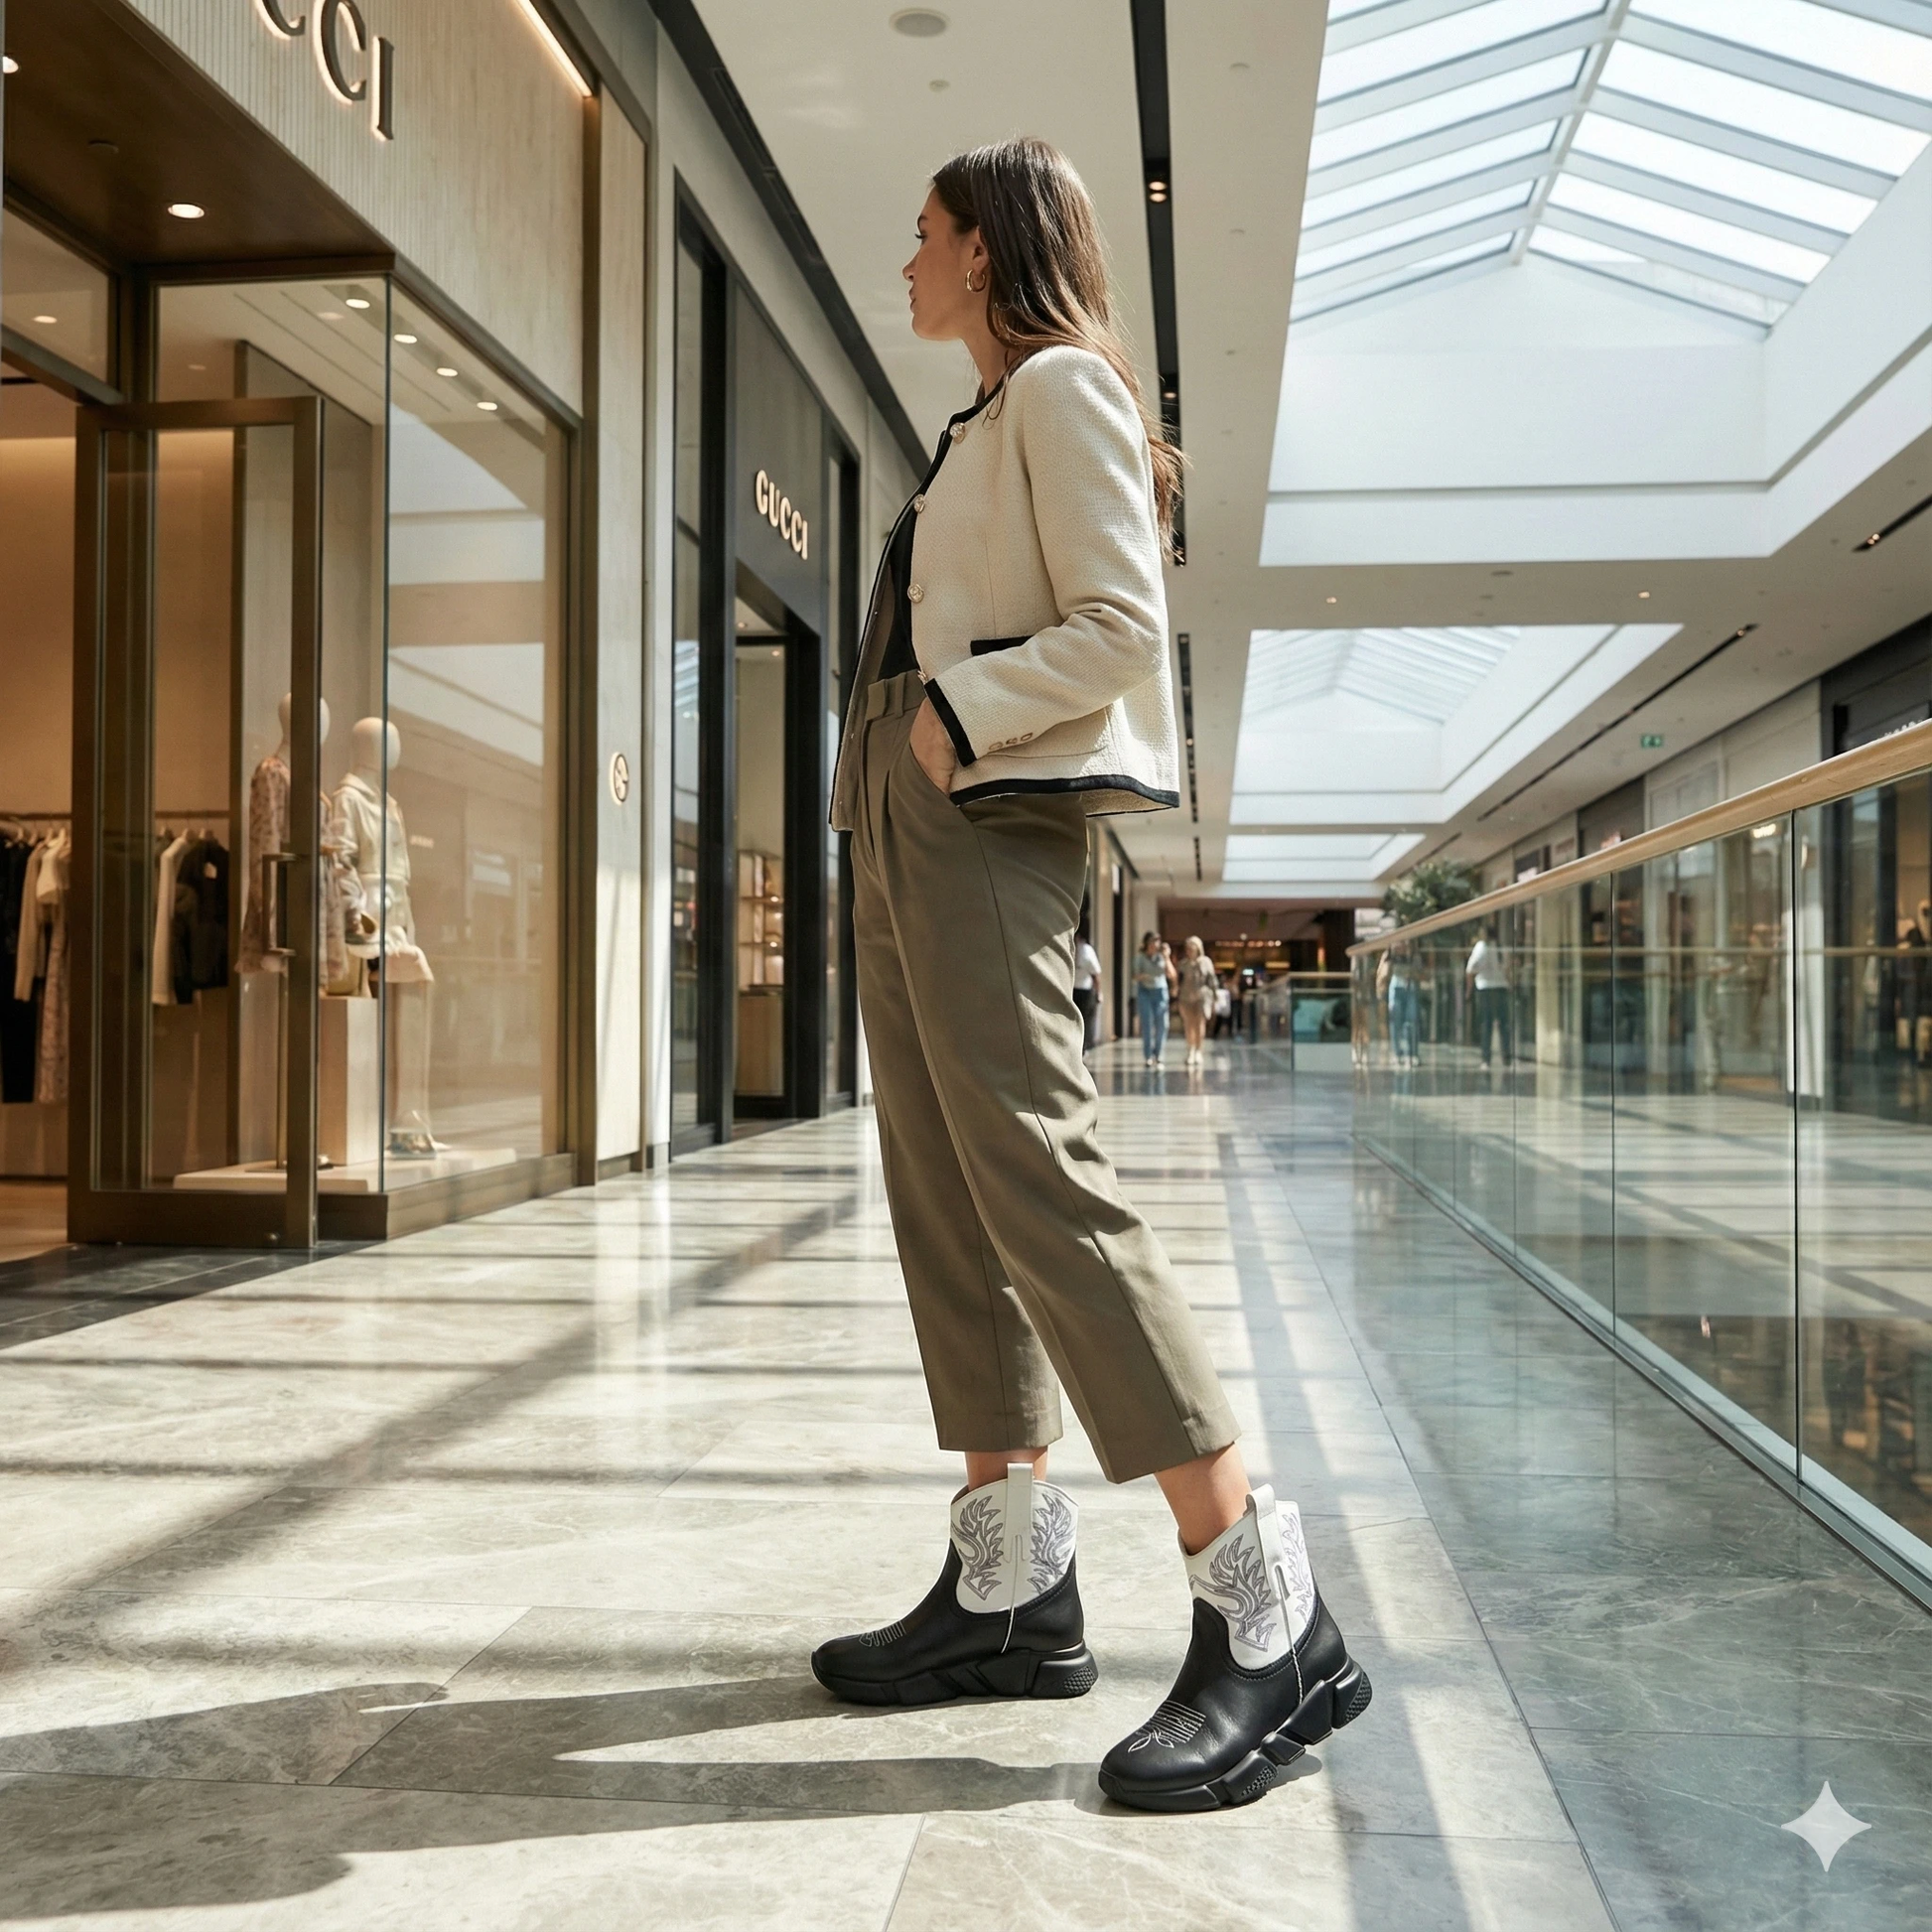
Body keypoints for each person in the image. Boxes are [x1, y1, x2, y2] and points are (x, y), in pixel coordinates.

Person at [810, 136, 1369, 1813]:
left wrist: (947, 720)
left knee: (1045, 1189)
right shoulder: (983, 415)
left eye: (923, 237)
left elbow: (1123, 624)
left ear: (986, 249)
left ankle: (1268, 1609)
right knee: (947, 1195)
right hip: (906, 808)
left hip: (982, 811)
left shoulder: (1061, 390)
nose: (904, 262)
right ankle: (1009, 1584)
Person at [1466, 924, 1510, 1068]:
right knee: (1503, 1024)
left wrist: (1469, 989)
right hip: (1501, 987)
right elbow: (1507, 969)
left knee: (1486, 1024)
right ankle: (1506, 1057)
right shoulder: (1500, 947)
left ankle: (1486, 1058)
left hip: (1485, 988)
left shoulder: (1481, 947)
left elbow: (1471, 968)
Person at [1176, 934, 1217, 1069]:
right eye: (1187, 948)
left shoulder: (1206, 962)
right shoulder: (1183, 964)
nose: (1189, 950)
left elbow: (1212, 980)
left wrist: (1215, 997)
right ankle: (1191, 1050)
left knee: (1200, 1023)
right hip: (1186, 997)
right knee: (1189, 1024)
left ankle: (1199, 1050)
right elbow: (1178, 981)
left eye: (1192, 947)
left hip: (1202, 996)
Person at [1131, 931, 1172, 1067]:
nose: (1155, 944)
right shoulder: (1139, 958)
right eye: (1153, 941)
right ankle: (1148, 1056)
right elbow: (1135, 976)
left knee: (1162, 1025)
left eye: (1157, 941)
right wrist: (1144, 976)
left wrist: (1167, 957)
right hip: (1145, 992)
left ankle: (1158, 1054)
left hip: (1160, 992)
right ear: (1147, 943)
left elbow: (1171, 974)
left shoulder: (1161, 957)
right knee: (1147, 1024)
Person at [1071, 918, 1102, 1053]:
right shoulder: (1071, 948)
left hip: (1084, 989)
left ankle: (1082, 1048)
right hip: (1072, 989)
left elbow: (1096, 974)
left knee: (1084, 1020)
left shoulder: (1086, 950)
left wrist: (1098, 992)